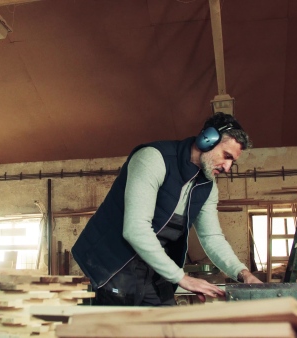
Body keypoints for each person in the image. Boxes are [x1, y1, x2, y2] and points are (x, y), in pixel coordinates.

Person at [71, 112, 262, 306]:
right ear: (207, 140)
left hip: (153, 264)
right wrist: (182, 278)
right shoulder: (153, 159)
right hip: (114, 262)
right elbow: (135, 228)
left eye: (233, 162)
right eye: (226, 156)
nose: (227, 168)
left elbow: (212, 237)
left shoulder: (207, 186)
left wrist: (243, 273)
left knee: (166, 321)